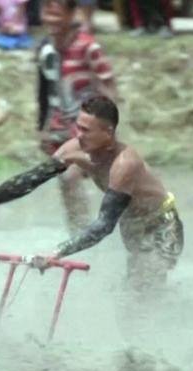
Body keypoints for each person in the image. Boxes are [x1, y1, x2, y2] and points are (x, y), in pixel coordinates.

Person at [0, 97, 183, 293]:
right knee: (135, 292)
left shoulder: (124, 164)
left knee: (143, 293)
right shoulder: (74, 149)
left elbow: (104, 224)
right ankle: (172, 316)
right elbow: (30, 180)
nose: (78, 135)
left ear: (108, 132)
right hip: (132, 227)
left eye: (86, 130)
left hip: (161, 226)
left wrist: (57, 252)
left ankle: (181, 323)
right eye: (77, 127)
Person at [36, 0, 118, 234]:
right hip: (60, 128)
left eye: (57, 15)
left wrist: (110, 130)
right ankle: (76, 232)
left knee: (71, 178)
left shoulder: (88, 47)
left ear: (72, 14)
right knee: (65, 181)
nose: (51, 21)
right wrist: (42, 127)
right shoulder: (47, 49)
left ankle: (85, 234)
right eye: (47, 14)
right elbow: (45, 90)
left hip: (90, 132)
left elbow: (108, 88)